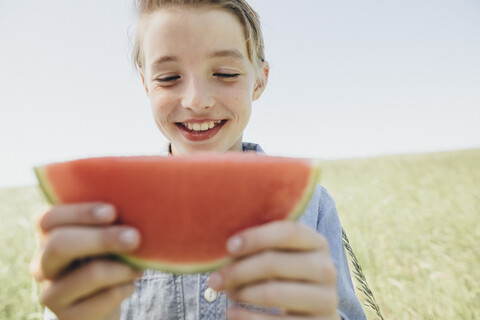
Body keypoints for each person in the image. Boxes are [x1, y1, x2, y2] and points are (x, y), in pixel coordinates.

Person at [31, 0, 366, 319]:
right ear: (147, 84)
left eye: (224, 73)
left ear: (260, 80)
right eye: (168, 78)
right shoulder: (101, 215)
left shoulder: (313, 207)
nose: (196, 100)